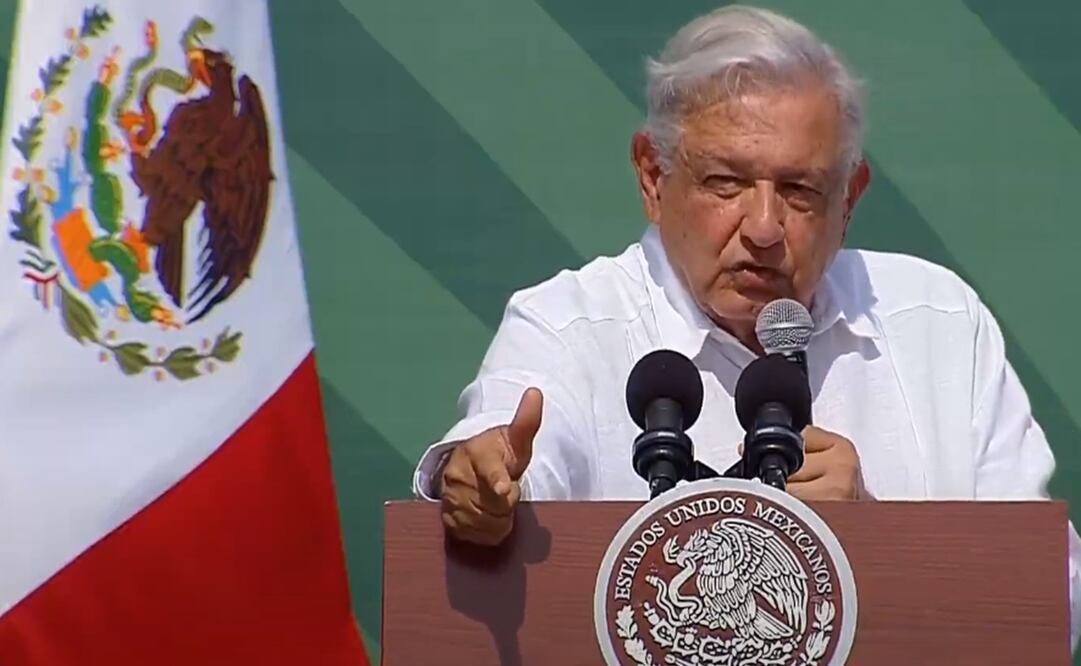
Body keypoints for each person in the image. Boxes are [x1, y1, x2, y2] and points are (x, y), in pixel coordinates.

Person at [410, 4, 1080, 647]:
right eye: (725, 183)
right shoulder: (567, 324)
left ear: (848, 199)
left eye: (798, 191)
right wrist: (481, 490)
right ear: (652, 176)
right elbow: (500, 464)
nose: (763, 229)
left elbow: (1059, 601)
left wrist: (874, 546)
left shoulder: (936, 321)